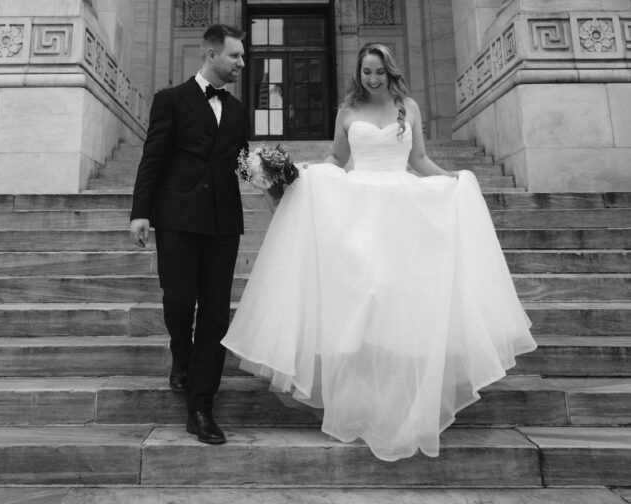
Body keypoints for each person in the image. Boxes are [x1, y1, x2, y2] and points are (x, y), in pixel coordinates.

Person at [222, 42, 536, 461]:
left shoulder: (410, 107)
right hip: (359, 208)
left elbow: (420, 160)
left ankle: (403, 399)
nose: (372, 79)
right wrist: (306, 177)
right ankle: (359, 399)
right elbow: (337, 157)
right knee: (364, 296)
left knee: (397, 300)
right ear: (360, 73)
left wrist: (452, 179)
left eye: (378, 72)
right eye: (366, 72)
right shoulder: (347, 110)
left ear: (390, 72)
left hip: (403, 209)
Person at [130, 24, 248, 446]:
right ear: (211, 54)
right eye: (234, 56)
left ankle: (201, 406)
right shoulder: (170, 100)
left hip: (222, 223)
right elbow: (153, 157)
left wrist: (272, 173)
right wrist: (140, 212)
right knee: (179, 302)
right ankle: (181, 351)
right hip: (178, 218)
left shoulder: (236, 110)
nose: (241, 63)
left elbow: (240, 161)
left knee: (216, 314)